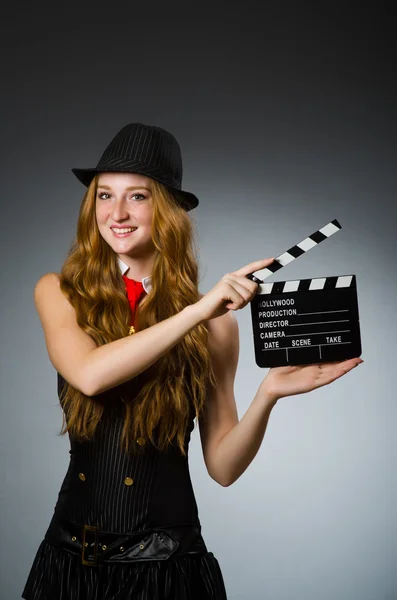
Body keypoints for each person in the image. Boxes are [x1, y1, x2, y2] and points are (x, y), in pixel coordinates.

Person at [22, 123, 363, 600]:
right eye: (104, 196)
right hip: (71, 562)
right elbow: (90, 374)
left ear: (168, 211)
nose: (117, 213)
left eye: (137, 197)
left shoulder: (216, 326)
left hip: (168, 568)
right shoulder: (59, 293)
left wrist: (269, 394)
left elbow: (222, 467)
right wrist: (198, 309)